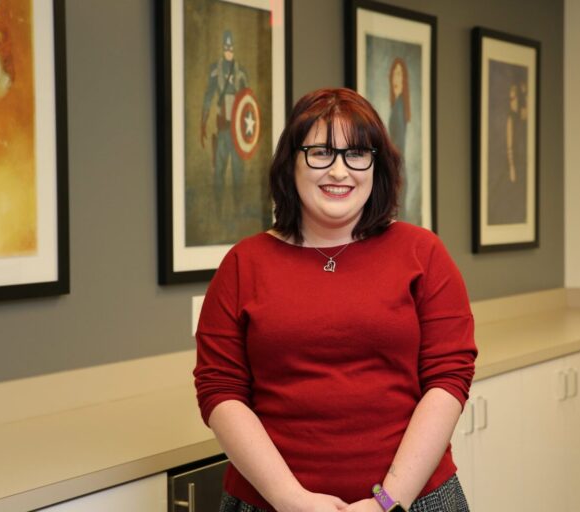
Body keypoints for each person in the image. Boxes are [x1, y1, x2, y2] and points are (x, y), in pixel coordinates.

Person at [194, 88, 477, 512]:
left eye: (357, 153)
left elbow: (448, 379)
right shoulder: (242, 264)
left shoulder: (423, 254)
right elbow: (220, 391)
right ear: (291, 162)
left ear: (376, 166)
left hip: (411, 501)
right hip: (270, 504)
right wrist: (292, 500)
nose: (339, 171)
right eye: (320, 152)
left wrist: (386, 502)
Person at [200, 29, 250, 216]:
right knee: (219, 169)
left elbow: (248, 102)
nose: (228, 49)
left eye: (231, 46)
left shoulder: (241, 71)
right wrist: (203, 123)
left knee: (238, 171)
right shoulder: (216, 70)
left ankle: (238, 208)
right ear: (222, 47)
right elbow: (208, 97)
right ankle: (218, 209)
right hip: (222, 128)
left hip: (238, 131)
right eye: (226, 46)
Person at [387, 58, 410, 221]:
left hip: (398, 170)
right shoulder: (397, 104)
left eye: (399, 75)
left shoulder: (399, 107)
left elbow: (399, 144)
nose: (397, 79)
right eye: (394, 74)